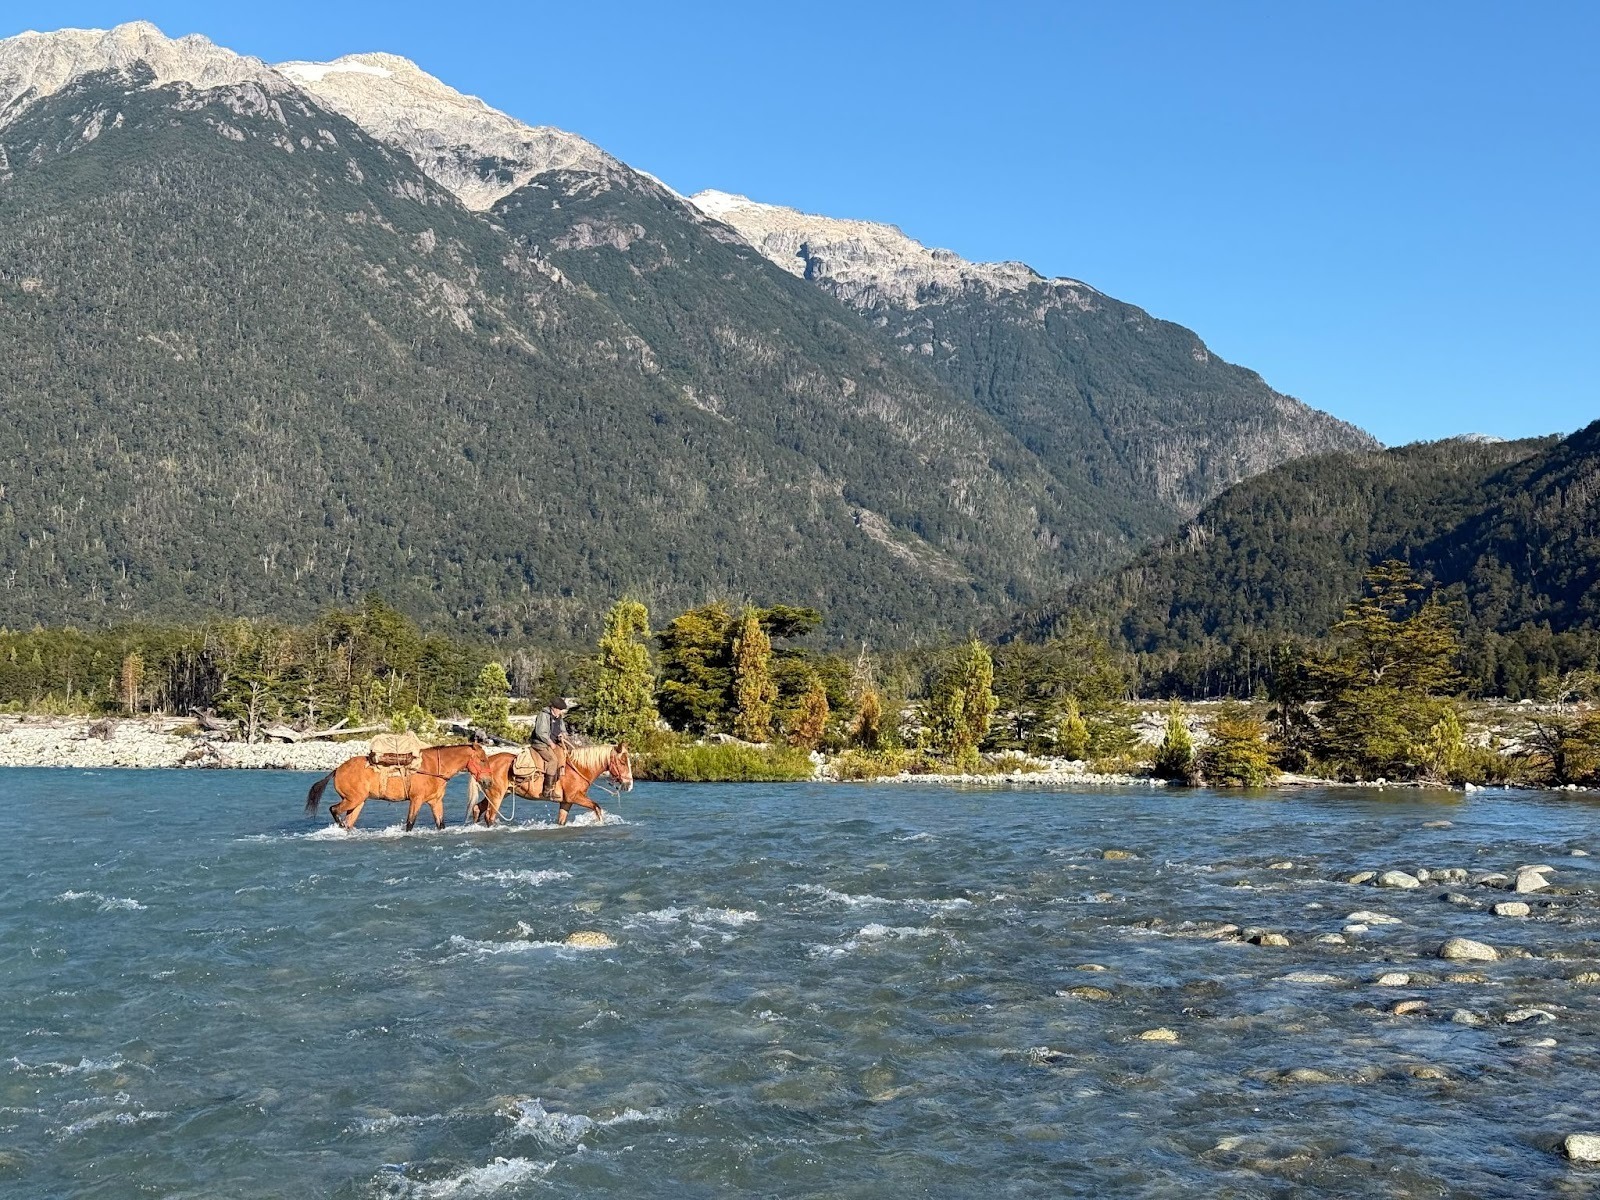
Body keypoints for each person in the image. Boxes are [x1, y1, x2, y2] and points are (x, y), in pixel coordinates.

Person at [529, 696, 578, 800]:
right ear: (553, 708)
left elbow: (563, 730)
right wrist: (550, 742)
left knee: (566, 756)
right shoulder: (544, 715)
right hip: (540, 743)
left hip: (554, 742)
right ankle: (547, 790)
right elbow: (540, 732)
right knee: (553, 760)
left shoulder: (558, 717)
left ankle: (559, 786)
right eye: (559, 710)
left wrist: (562, 735)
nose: (560, 712)